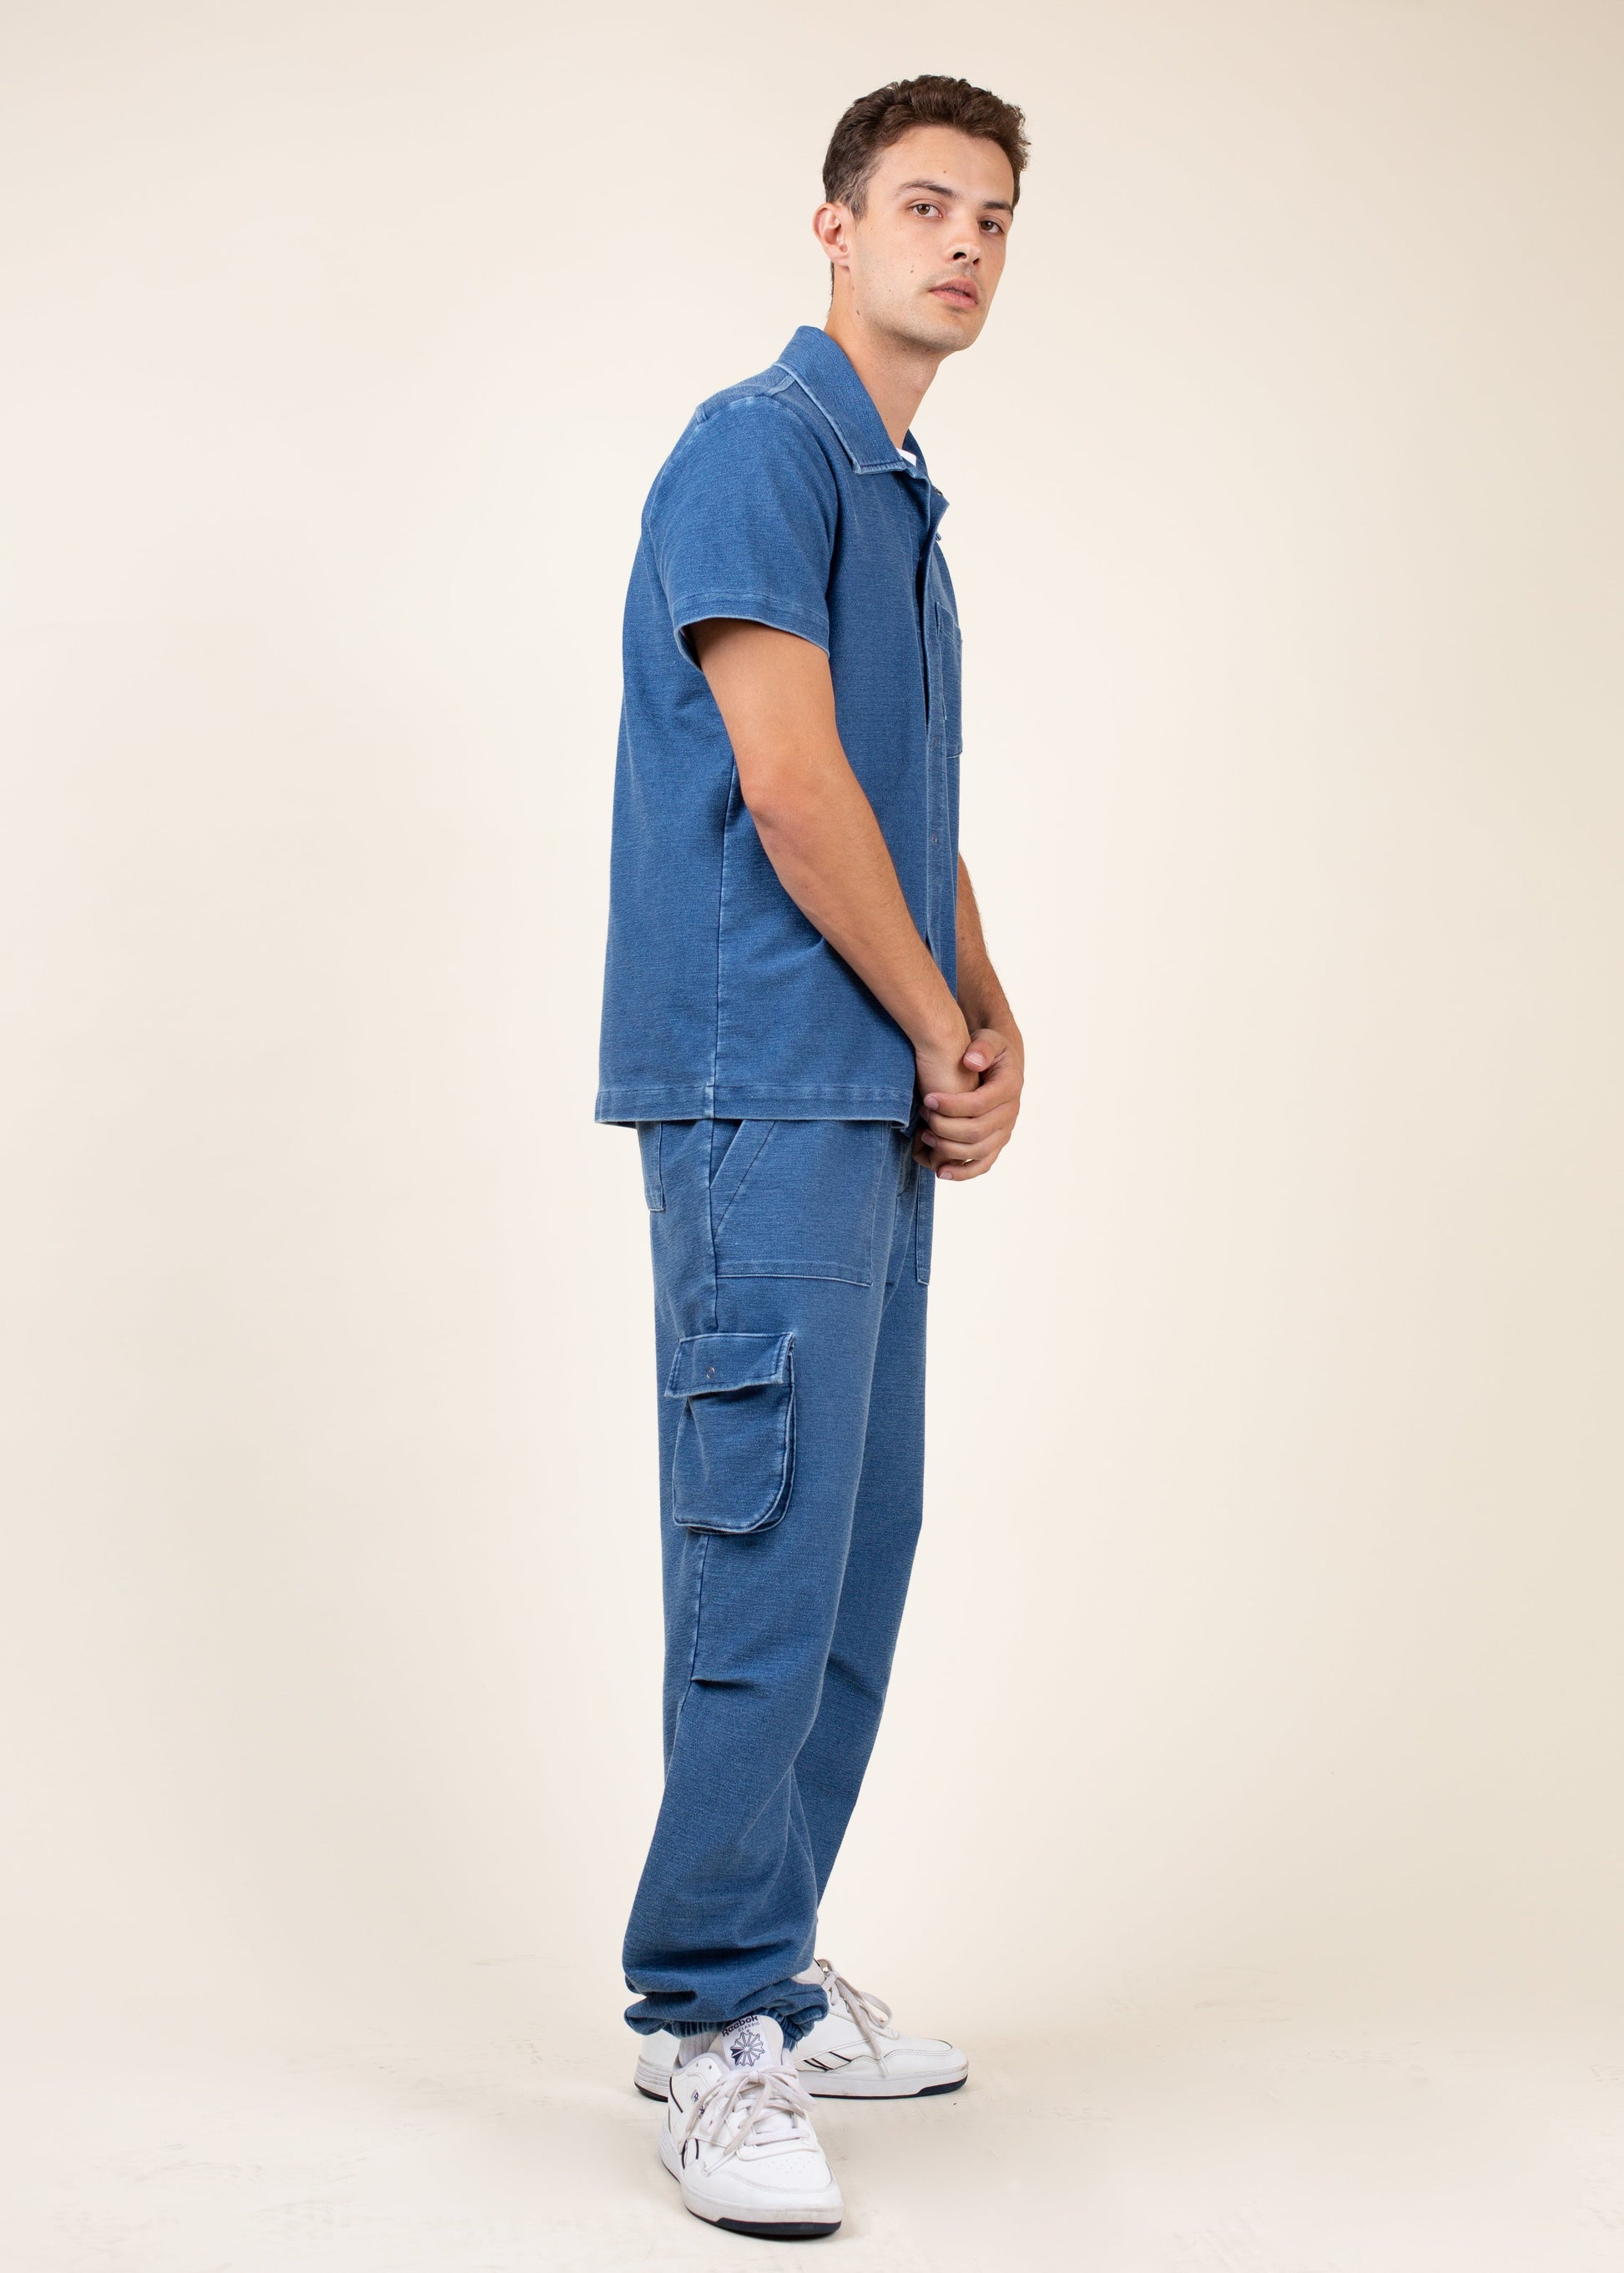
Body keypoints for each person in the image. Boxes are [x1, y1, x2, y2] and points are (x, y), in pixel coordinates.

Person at [594, 73, 1029, 2240]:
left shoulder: (901, 489)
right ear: (833, 228)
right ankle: (704, 2017)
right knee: (763, 1545)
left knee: (860, 1539)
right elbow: (783, 783)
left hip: (860, 1081)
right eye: (922, 206)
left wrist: (984, 1003)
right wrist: (929, 1013)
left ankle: (767, 1959)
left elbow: (893, 795)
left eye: (989, 220)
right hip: (763, 1071)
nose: (958, 245)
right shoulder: (759, 447)